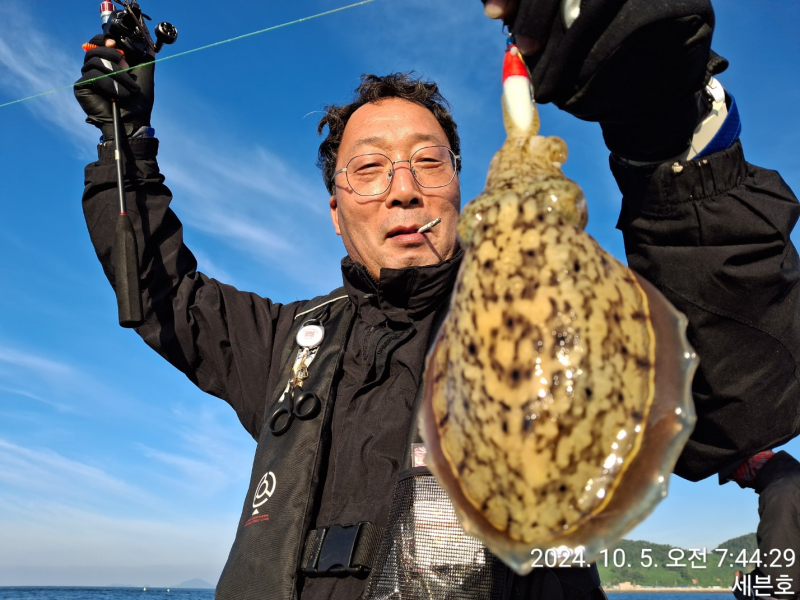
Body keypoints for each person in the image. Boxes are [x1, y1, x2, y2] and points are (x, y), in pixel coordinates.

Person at [73, 1, 800, 599]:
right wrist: (123, 141)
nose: (403, 187)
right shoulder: (281, 344)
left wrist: (665, 126)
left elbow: (733, 381)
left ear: (458, 186)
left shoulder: (553, 323)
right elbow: (161, 288)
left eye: (428, 161)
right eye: (370, 168)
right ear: (336, 208)